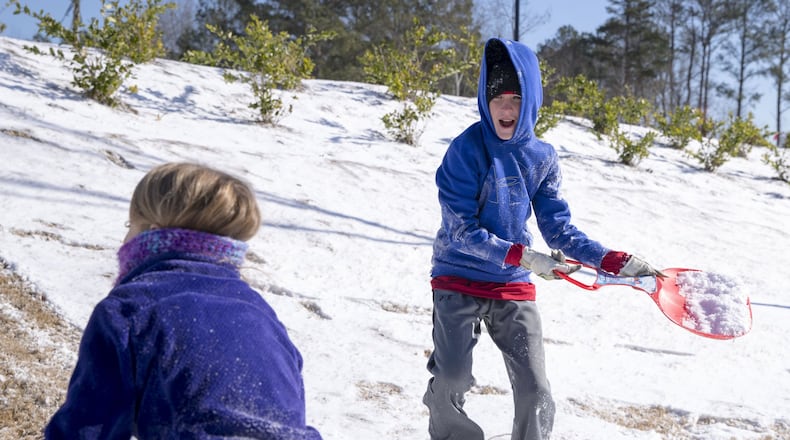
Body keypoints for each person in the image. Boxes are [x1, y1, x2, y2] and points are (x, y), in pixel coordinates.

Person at [422, 38, 663, 440]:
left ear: (531, 100)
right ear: (484, 100)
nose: (505, 108)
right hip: (457, 276)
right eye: (495, 96)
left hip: (511, 285)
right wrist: (526, 257)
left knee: (536, 390)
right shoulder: (465, 150)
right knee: (452, 377)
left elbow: (558, 229)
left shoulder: (542, 157)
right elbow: (460, 231)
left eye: (515, 97)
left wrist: (613, 260)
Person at [45, 162, 322, 440]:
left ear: (150, 233)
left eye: (130, 225)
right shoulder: (263, 314)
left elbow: (86, 430)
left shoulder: (128, 310)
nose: (124, 238)